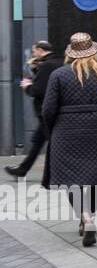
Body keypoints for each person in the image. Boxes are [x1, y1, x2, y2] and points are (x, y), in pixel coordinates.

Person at [41, 33, 97, 249]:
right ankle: (90, 216)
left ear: (70, 52)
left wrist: (52, 129)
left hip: (66, 133)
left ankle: (84, 217)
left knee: (72, 181)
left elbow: (48, 109)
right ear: (94, 51)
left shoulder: (59, 75)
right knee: (95, 179)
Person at [5, 41, 61, 179]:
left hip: (46, 110)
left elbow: (39, 90)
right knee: (38, 141)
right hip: (52, 109)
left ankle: (59, 173)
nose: (33, 53)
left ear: (40, 49)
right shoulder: (56, 62)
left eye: (34, 50)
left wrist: (27, 86)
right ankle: (22, 169)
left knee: (54, 143)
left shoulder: (46, 65)